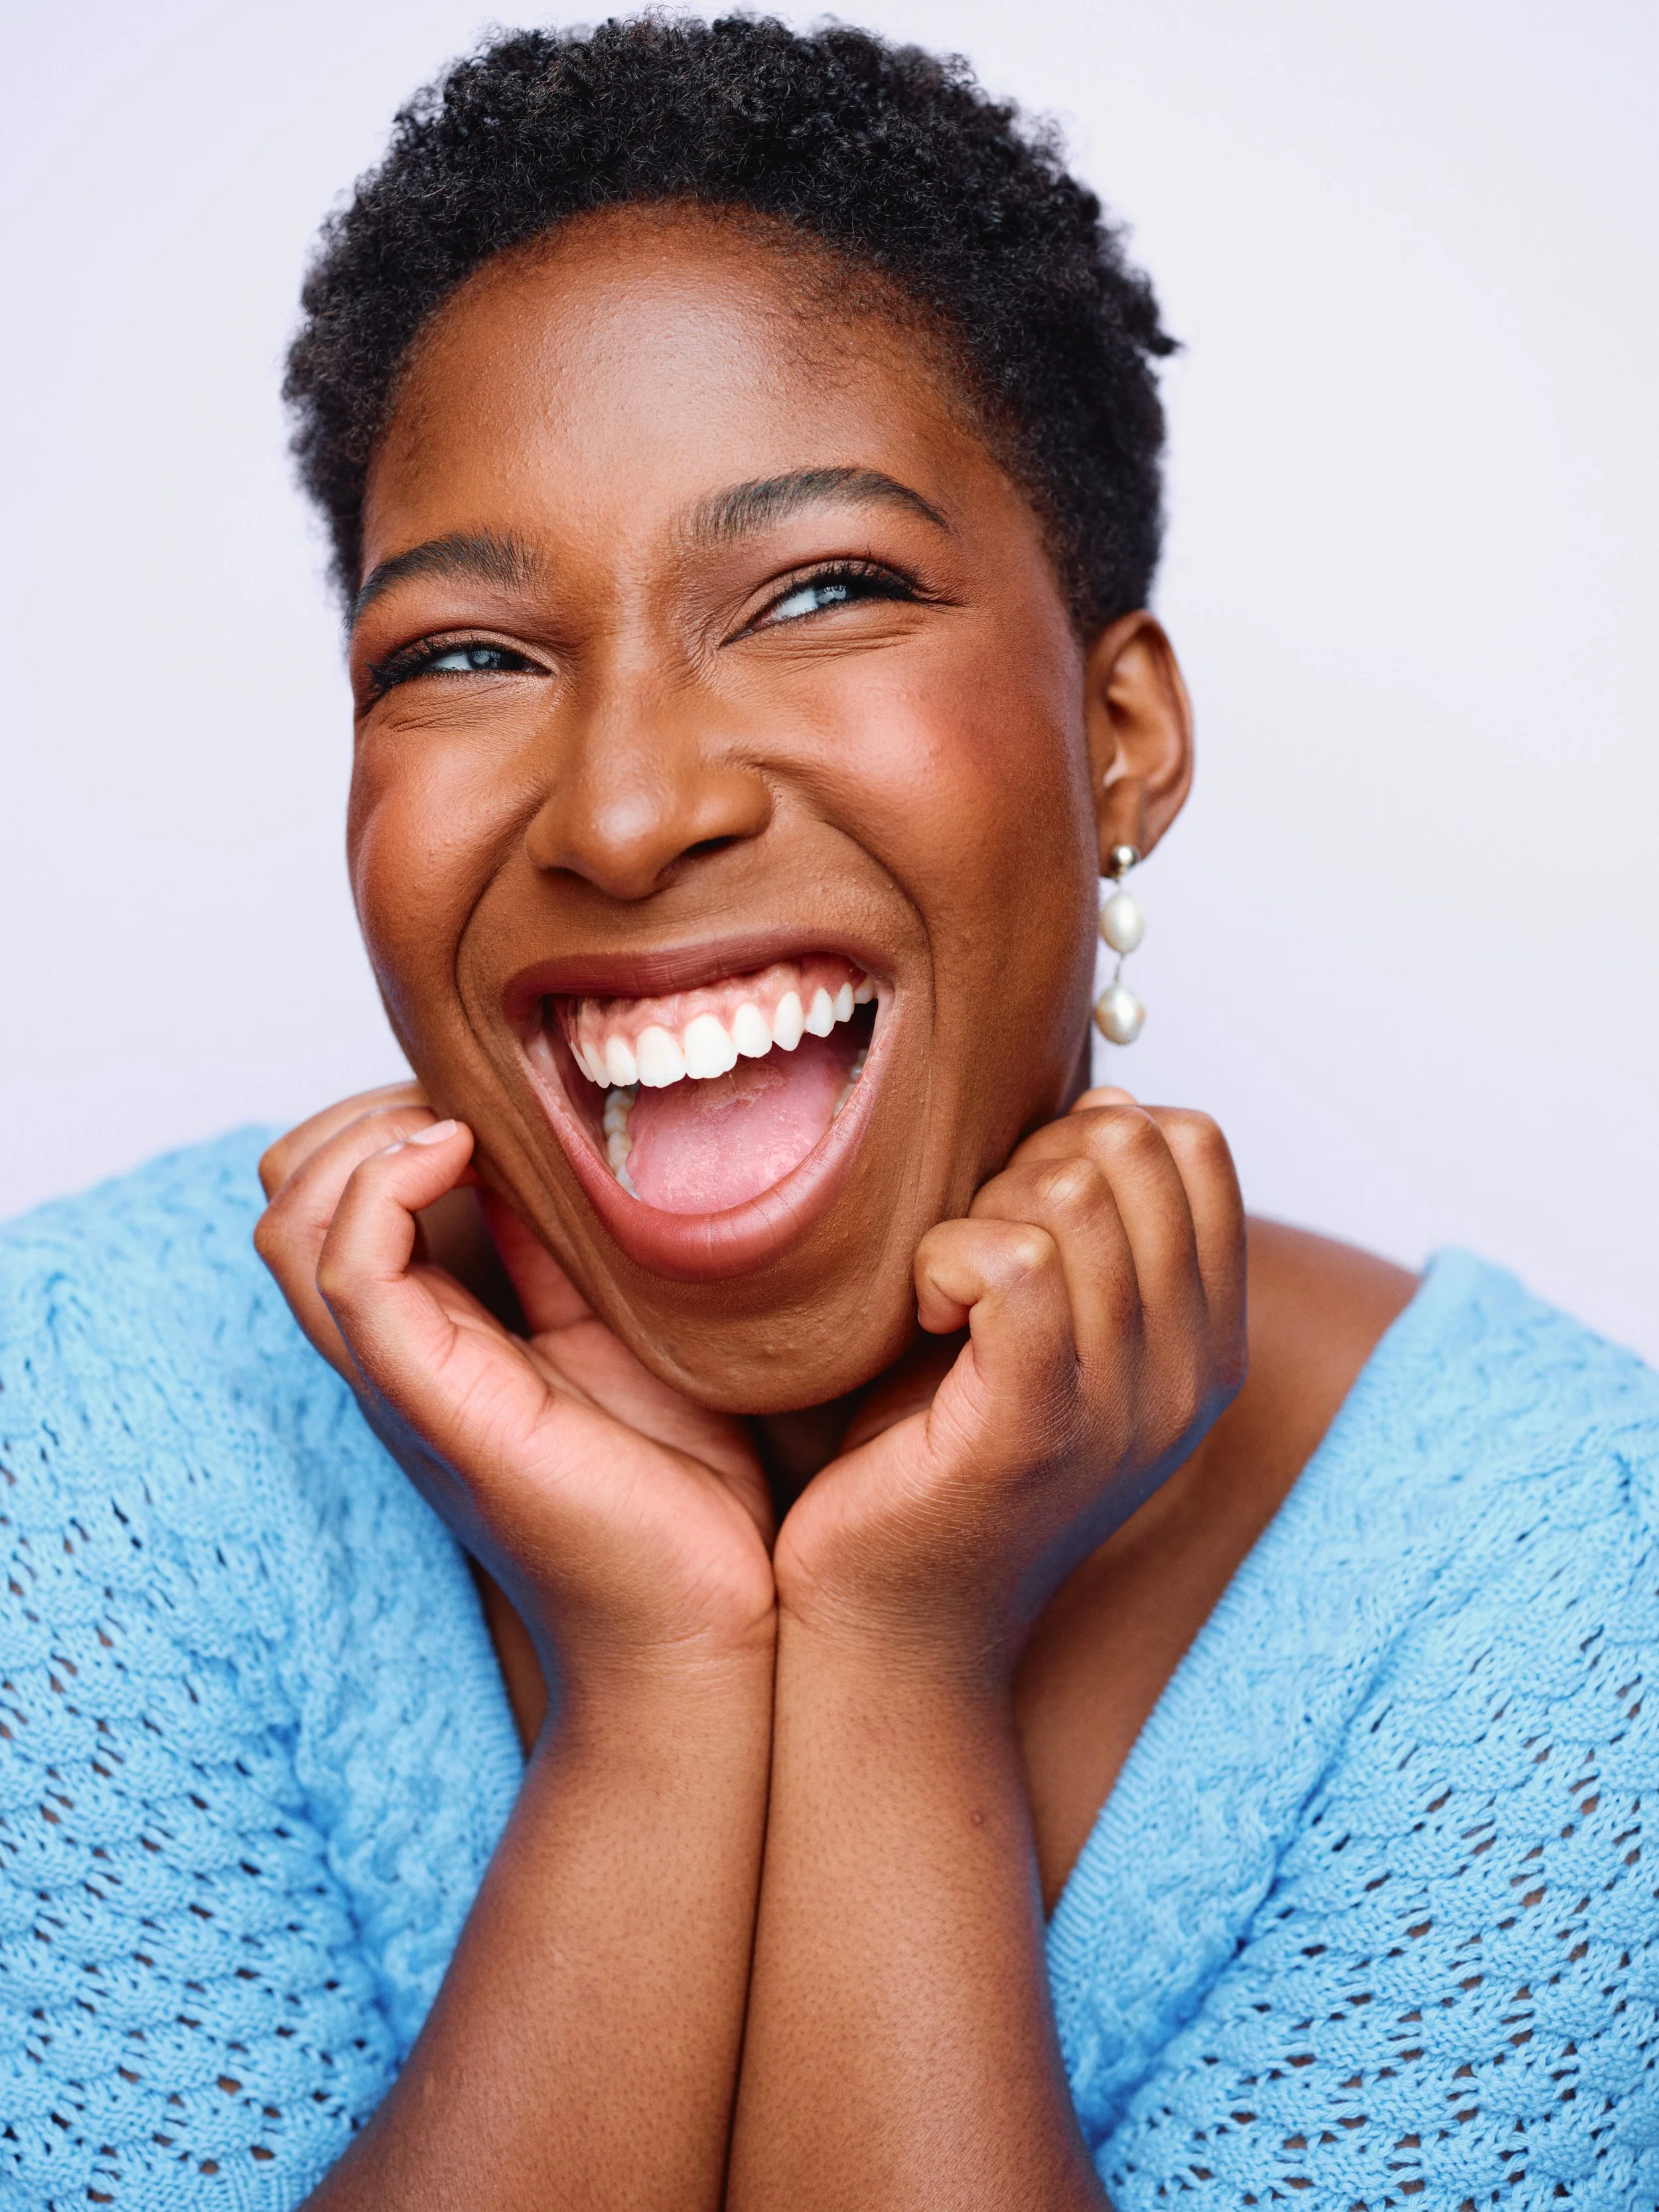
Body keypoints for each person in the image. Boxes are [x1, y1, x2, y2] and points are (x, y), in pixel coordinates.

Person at [3, 18, 1656, 2208]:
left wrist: (889, 1654)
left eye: (818, 593)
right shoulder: (89, 1421)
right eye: (465, 655)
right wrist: (665, 1681)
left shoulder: (1566, 1620)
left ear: (1122, 735)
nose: (621, 805)